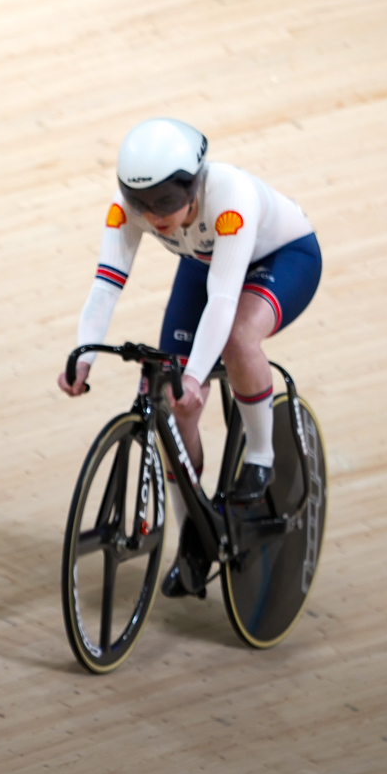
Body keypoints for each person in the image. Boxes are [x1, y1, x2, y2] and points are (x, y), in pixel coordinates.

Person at [58, 118, 322, 596]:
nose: (153, 214)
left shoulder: (231, 198)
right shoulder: (128, 210)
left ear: (194, 182)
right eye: (141, 202)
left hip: (283, 259)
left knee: (239, 339)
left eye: (165, 201)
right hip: (205, 263)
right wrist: (82, 357)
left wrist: (197, 378)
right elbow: (105, 286)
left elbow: (222, 302)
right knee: (168, 401)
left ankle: (260, 457)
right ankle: (195, 542)